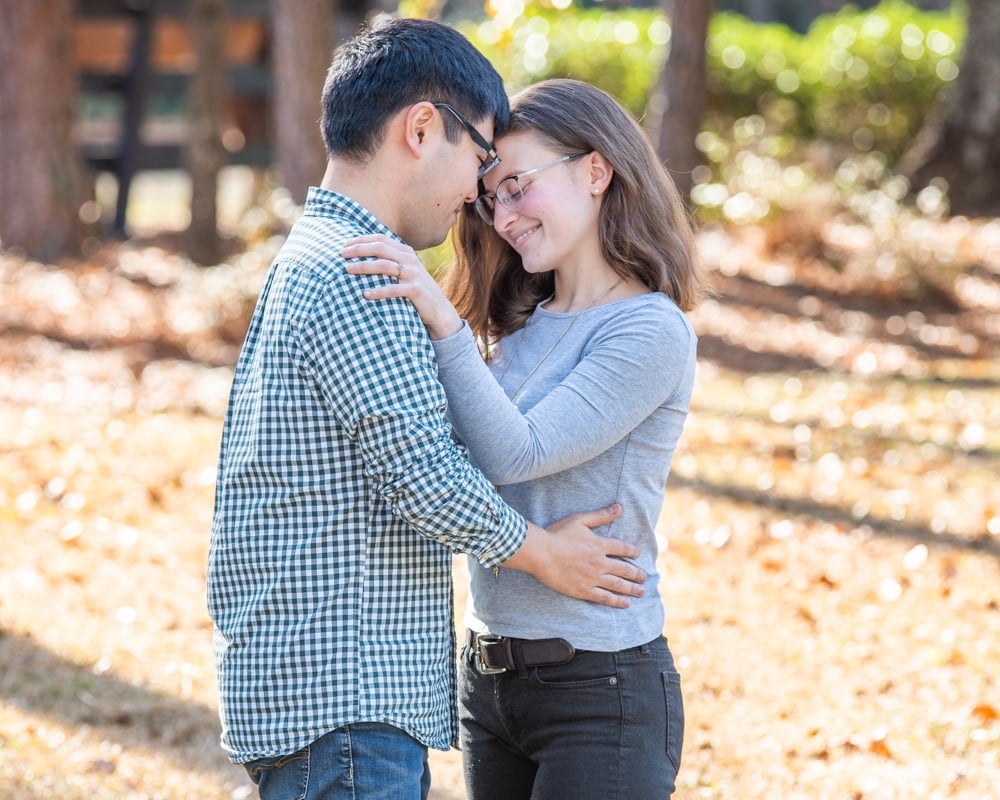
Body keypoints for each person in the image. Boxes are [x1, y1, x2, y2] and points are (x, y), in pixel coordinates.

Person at [206, 23, 648, 800]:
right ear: (421, 128)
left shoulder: (318, 254)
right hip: (342, 701)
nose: (478, 195)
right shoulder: (361, 275)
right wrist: (546, 553)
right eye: (480, 160)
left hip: (320, 695)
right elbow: (426, 476)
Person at [343, 78, 702, 799]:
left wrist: (440, 321)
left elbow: (518, 453)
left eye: (517, 186)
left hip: (600, 690)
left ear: (596, 171)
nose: (502, 215)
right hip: (489, 681)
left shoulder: (648, 330)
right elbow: (446, 469)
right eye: (490, 196)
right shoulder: (515, 325)